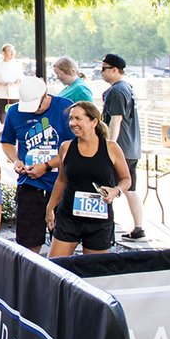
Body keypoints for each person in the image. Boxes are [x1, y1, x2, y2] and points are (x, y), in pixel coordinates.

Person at [44, 101, 132, 258]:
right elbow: (62, 180)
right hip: (69, 217)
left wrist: (115, 191)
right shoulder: (66, 147)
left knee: (94, 271)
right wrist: (50, 208)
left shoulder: (111, 148)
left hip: (99, 220)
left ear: (94, 122)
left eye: (78, 118)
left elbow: (126, 179)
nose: (73, 123)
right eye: (71, 119)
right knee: (54, 268)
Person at [0, 76, 74, 253]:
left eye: (38, 106)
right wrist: (16, 160)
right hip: (29, 186)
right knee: (28, 243)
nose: (35, 110)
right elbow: (6, 142)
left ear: (45, 95)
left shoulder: (66, 107)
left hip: (59, 183)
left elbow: (74, 147)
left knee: (62, 241)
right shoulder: (14, 112)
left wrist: (47, 165)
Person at [100, 53, 146, 240]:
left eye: (104, 68)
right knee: (130, 188)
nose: (101, 72)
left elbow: (116, 121)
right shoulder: (127, 88)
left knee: (108, 188)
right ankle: (138, 227)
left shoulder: (117, 91)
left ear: (114, 70)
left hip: (121, 148)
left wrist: (109, 145)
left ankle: (105, 229)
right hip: (131, 147)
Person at [0, 44, 24, 120]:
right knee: (1, 121)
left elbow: (22, 80)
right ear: (3, 53)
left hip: (15, 97)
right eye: (10, 51)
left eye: (13, 51)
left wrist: (16, 83)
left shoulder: (18, 65)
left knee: (16, 120)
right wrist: (2, 84)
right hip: (1, 98)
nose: (12, 53)